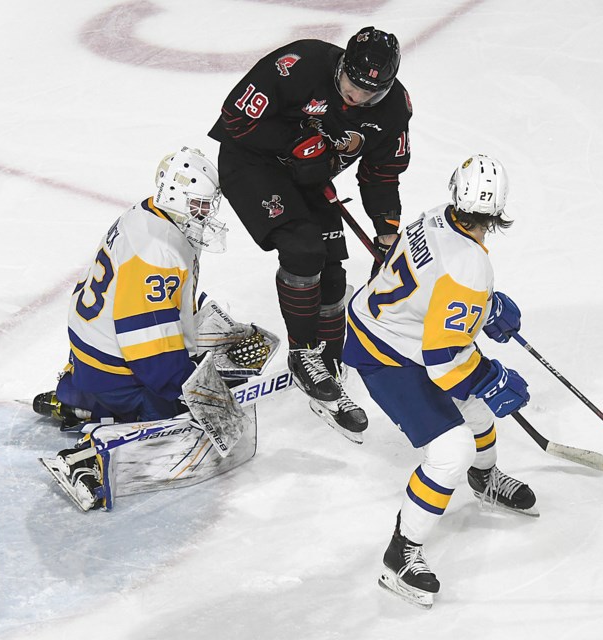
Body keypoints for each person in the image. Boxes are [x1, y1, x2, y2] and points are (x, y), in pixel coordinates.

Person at [342, 154, 536, 608]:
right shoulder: (470, 266)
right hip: (386, 353)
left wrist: (484, 310)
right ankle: (401, 554)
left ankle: (484, 480)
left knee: (478, 413)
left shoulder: (435, 216)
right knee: (451, 450)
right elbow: (445, 361)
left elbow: (433, 290)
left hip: (395, 329)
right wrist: (492, 374)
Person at [33, 147, 275, 511]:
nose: (206, 213)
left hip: (88, 349)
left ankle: (78, 399)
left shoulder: (148, 214)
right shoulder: (157, 252)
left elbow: (156, 304)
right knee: (178, 416)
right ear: (177, 197)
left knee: (164, 378)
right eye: (200, 204)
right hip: (114, 367)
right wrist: (189, 391)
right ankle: (89, 459)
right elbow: (148, 345)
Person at [206, 26, 413, 442]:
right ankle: (304, 355)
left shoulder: (393, 109)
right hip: (253, 163)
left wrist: (387, 231)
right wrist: (296, 138)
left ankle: (329, 367)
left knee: (333, 270)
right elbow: (236, 116)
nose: (356, 99)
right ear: (341, 68)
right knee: (302, 249)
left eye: (369, 95)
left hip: (309, 176)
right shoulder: (298, 66)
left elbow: (381, 173)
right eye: (352, 86)